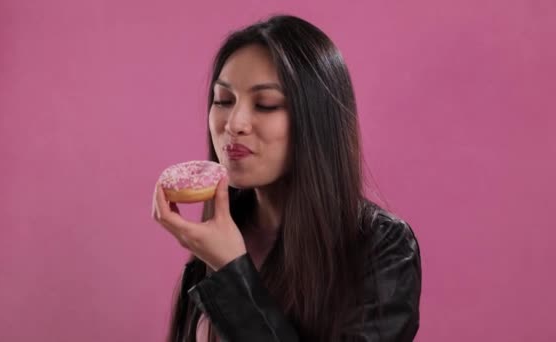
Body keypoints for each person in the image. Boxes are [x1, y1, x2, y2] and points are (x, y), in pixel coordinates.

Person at [152, 14, 422, 342]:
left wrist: (231, 271)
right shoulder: (215, 243)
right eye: (223, 100)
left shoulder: (381, 248)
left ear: (317, 121)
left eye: (265, 105)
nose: (234, 123)